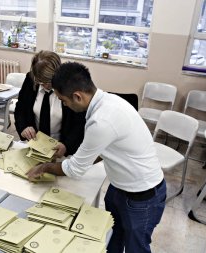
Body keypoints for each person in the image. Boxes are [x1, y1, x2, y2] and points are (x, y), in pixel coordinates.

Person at [27, 62, 166, 253]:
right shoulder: (109, 102)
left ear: (77, 96)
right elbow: (101, 151)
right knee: (111, 236)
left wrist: (44, 167)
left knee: (136, 247)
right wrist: (80, 158)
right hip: (120, 187)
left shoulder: (102, 120)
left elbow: (75, 170)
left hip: (142, 196)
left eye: (64, 101)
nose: (65, 106)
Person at [14, 50, 85, 157]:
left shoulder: (72, 87)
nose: (45, 86)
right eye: (40, 82)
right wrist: (24, 127)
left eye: (48, 82)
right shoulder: (30, 79)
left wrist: (66, 146)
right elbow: (20, 109)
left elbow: (79, 123)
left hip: (63, 149)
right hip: (35, 145)